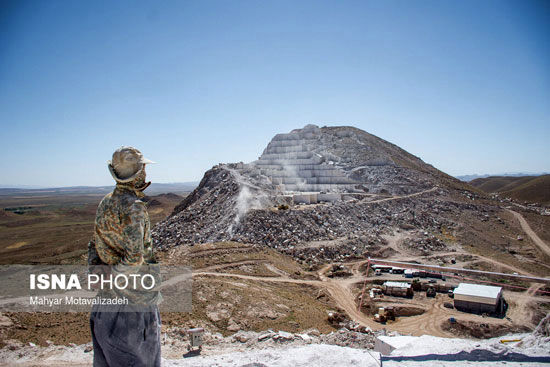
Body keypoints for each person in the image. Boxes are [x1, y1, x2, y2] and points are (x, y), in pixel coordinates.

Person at [88, 146, 161, 367]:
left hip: (104, 305)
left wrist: (95, 271)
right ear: (138, 174)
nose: (146, 173)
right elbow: (134, 259)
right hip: (134, 306)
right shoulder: (135, 207)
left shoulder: (106, 201)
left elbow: (94, 243)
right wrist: (114, 276)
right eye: (143, 169)